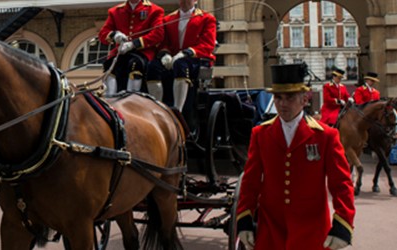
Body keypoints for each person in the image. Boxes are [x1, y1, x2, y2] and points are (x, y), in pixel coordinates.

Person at [236, 64, 355, 250]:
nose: (282, 103)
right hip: (271, 231)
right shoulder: (260, 134)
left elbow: (341, 184)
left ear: (304, 98)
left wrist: (343, 224)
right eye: (278, 97)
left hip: (312, 232)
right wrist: (244, 218)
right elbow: (250, 182)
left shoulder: (326, 136)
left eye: (290, 97)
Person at [146, 0, 216, 134]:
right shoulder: (168, 19)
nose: (184, 1)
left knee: (181, 64)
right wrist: (165, 53)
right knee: (153, 66)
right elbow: (163, 43)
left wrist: (186, 52)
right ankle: (156, 107)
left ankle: (178, 110)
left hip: (196, 59)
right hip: (173, 59)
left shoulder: (207, 19)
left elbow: (207, 45)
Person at [98, 0, 164, 95]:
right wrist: (114, 35)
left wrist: (134, 44)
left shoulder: (155, 10)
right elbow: (102, 34)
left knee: (134, 65)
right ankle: (110, 99)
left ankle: (131, 98)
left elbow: (158, 34)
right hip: (121, 52)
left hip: (142, 52)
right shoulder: (115, 11)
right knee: (109, 65)